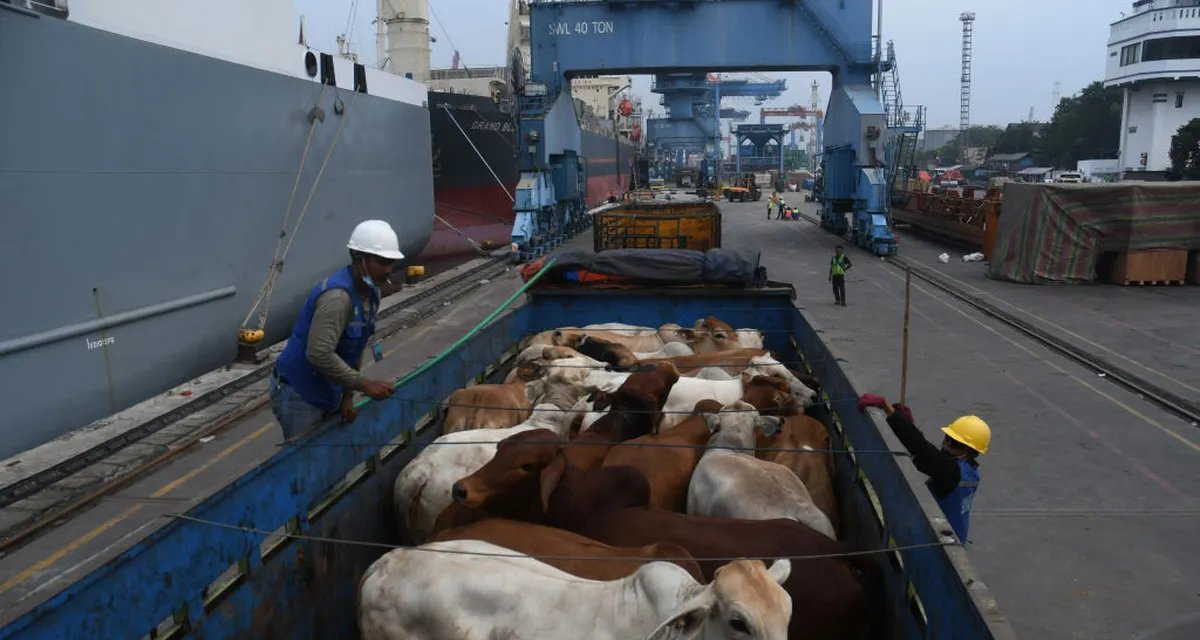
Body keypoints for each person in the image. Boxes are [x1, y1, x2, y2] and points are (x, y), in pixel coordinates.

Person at [271, 220, 401, 439]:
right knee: (307, 464)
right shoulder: (338, 299)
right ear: (361, 260)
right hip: (301, 393)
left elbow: (355, 347)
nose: (388, 269)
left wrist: (348, 396)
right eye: (382, 262)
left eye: (392, 262)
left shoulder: (372, 294)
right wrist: (365, 384)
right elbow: (318, 354)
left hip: (329, 389)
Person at [856, 394, 991, 541]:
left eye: (955, 443)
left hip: (939, 542)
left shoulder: (951, 471)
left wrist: (888, 409)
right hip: (955, 535)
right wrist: (908, 423)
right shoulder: (970, 469)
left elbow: (921, 449)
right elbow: (929, 454)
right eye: (947, 438)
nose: (946, 445)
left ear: (968, 451)